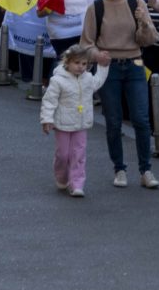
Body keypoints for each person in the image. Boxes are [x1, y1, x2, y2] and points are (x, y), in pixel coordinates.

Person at [81, 0, 159, 190]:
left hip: (135, 64)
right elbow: (86, 43)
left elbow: (149, 39)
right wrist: (97, 54)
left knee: (141, 119)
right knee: (113, 120)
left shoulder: (136, 3)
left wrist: (143, 21)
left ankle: (146, 169)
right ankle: (119, 168)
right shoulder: (96, 7)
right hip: (109, 68)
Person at [40, 43, 110, 199]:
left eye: (84, 64)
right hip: (63, 124)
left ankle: (77, 184)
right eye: (76, 63)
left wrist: (103, 66)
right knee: (63, 155)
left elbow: (98, 81)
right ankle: (61, 176)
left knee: (78, 154)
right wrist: (47, 119)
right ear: (67, 62)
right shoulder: (58, 80)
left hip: (81, 123)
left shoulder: (88, 78)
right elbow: (49, 100)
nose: (80, 67)